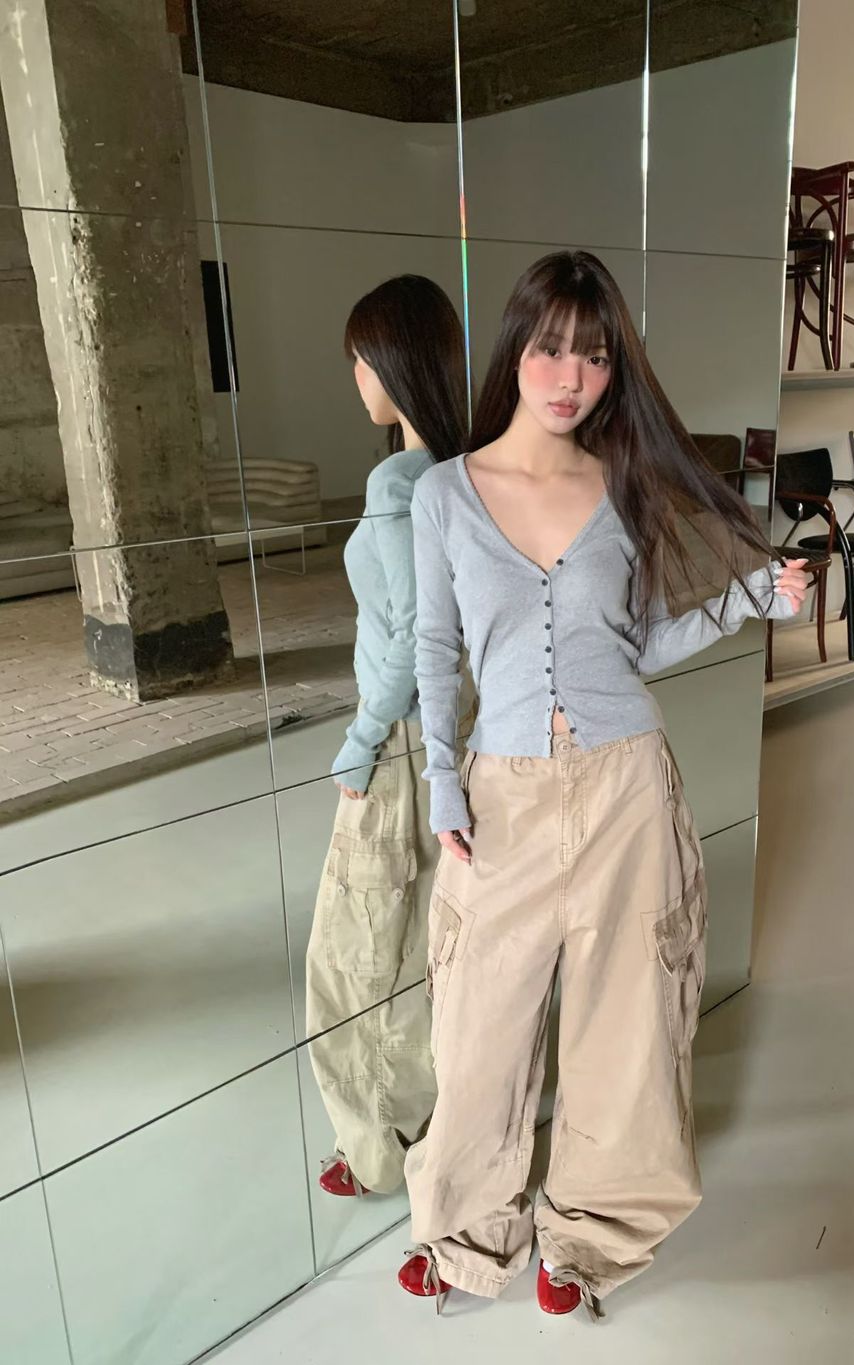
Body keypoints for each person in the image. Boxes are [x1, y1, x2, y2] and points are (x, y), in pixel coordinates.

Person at [397, 251, 810, 1317]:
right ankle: (464, 1230)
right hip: (502, 795)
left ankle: (586, 1240)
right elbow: (434, 652)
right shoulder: (444, 495)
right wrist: (441, 784)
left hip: (628, 787)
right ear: (515, 352)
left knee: (625, 1027)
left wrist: (751, 599)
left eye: (594, 355)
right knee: (478, 1027)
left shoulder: (621, 486)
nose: (569, 376)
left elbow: (638, 647)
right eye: (549, 349)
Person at [306, 274, 474, 1201]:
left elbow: (413, 636)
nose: (355, 376)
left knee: (356, 955)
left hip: (402, 740)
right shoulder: (468, 470)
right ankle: (422, 1124)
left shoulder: (400, 482)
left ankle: (378, 1148)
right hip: (451, 734)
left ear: (396, 364)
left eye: (361, 358)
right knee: (425, 946)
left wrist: (360, 740)